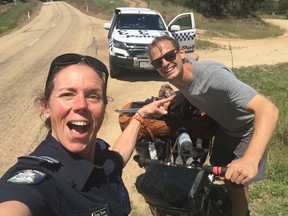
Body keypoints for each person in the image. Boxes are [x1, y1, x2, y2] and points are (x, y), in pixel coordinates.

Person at [0, 53, 171, 216]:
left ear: (103, 109)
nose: (81, 105)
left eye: (93, 96)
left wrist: (140, 115)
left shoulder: (99, 157)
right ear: (46, 107)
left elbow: (116, 159)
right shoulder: (38, 180)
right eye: (67, 94)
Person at [147, 35, 279, 216]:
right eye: (157, 62)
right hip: (227, 128)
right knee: (222, 169)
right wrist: (181, 94)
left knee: (235, 181)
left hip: (247, 128)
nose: (165, 63)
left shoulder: (214, 77)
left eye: (170, 56)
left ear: (181, 53)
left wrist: (250, 159)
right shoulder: (174, 73)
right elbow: (197, 55)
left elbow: (268, 110)